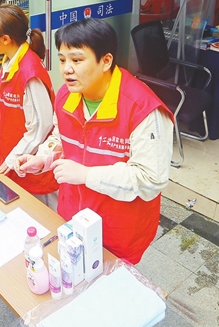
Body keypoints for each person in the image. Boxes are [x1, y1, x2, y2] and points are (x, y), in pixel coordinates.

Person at [15, 19, 175, 264]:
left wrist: (86, 175)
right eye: (62, 60)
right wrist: (43, 159)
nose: (67, 69)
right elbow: (61, 139)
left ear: (106, 61)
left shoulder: (143, 109)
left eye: (77, 60)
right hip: (71, 218)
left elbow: (151, 178)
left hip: (117, 231)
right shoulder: (66, 96)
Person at [0, 3, 59, 208]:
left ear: (5, 39)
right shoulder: (10, 61)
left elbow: (41, 127)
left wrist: (12, 159)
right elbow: (4, 96)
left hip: (32, 162)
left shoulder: (29, 73)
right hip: (15, 155)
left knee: (42, 216)